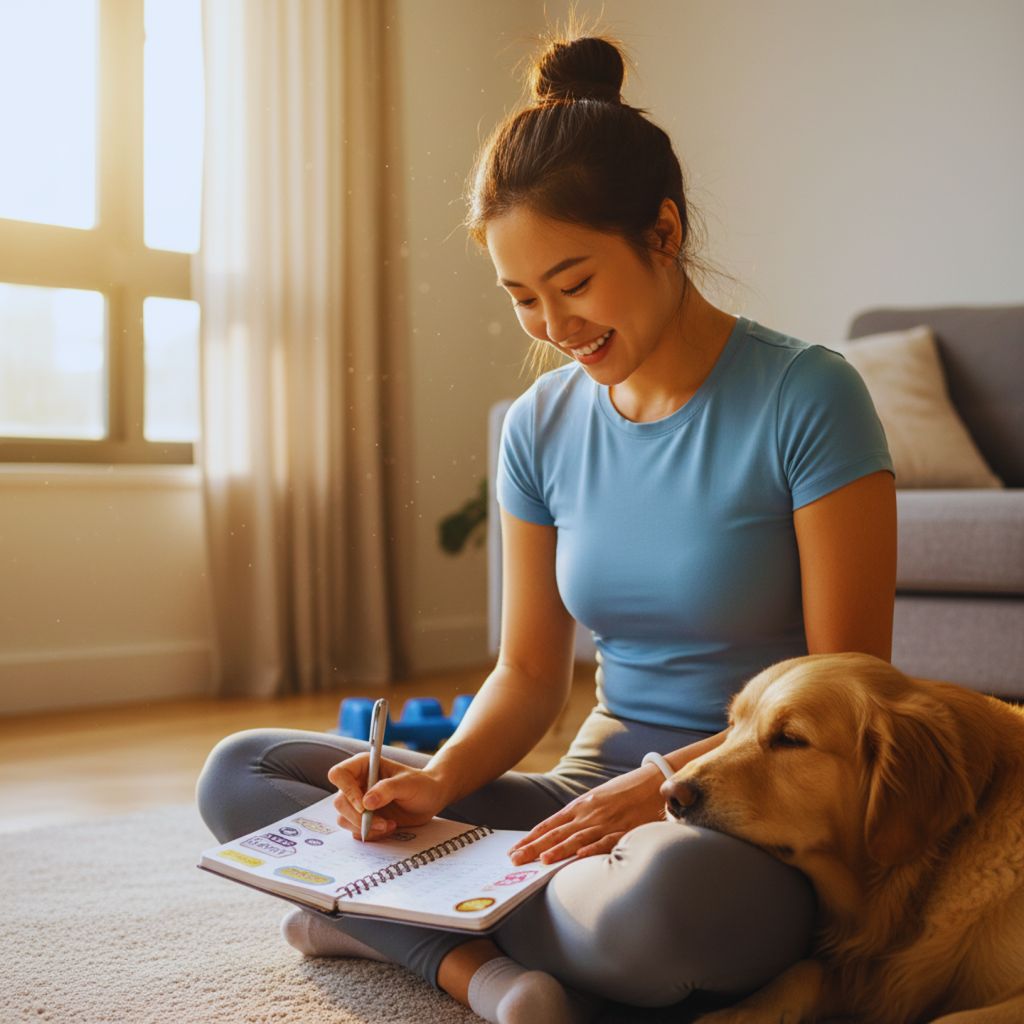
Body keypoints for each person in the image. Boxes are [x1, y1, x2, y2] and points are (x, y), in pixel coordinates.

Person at [196, 28, 897, 1024]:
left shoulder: (806, 394)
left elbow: (852, 687)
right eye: (522, 297)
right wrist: (436, 782)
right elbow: (528, 675)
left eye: (573, 283)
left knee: (662, 907)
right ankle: (475, 970)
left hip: (743, 816)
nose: (554, 327)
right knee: (245, 776)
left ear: (661, 233)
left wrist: (661, 787)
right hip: (579, 799)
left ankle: (385, 918)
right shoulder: (539, 425)